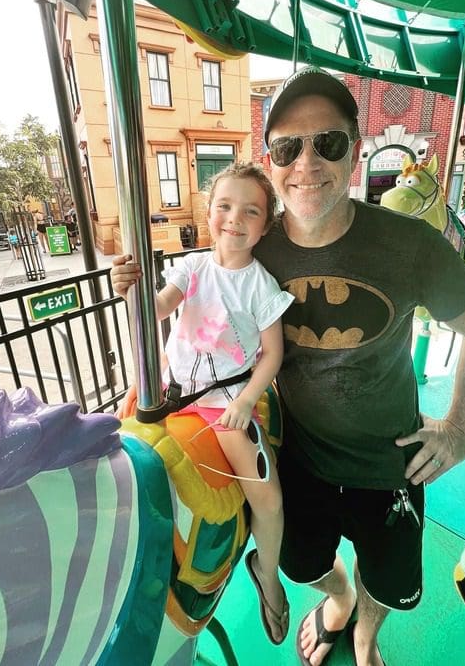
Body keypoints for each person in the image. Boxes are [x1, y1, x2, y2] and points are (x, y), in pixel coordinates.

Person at [112, 67, 465, 666]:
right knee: (306, 564)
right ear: (271, 163)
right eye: (287, 147)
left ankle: (366, 632)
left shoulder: (409, 245)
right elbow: (197, 285)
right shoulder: (255, 246)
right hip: (302, 456)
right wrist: (136, 285)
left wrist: (459, 430)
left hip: (391, 463)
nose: (307, 163)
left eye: (327, 143)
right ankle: (337, 598)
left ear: (353, 149)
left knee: (391, 584)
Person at [112, 163, 294, 645]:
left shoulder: (260, 285)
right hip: (171, 393)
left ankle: (268, 573)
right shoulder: (192, 268)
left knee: (268, 497)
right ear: (210, 211)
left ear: (265, 224)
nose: (235, 219)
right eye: (225, 207)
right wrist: (130, 290)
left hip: (226, 400)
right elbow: (157, 310)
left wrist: (248, 401)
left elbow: (272, 353)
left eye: (250, 211)